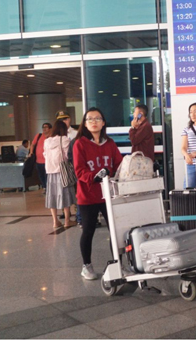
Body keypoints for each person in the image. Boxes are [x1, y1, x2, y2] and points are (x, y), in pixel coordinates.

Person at [73, 107, 123, 280]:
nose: (94, 122)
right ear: (85, 124)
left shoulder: (109, 143)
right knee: (88, 231)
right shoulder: (80, 143)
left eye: (97, 118)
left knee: (115, 231)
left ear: (103, 123)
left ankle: (118, 264)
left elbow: (119, 165)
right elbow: (79, 170)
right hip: (88, 196)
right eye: (90, 119)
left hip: (108, 195)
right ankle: (86, 265)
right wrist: (94, 176)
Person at [44, 120, 77, 229]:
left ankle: (55, 221)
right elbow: (67, 156)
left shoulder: (47, 141)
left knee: (52, 196)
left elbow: (45, 155)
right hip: (62, 171)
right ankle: (67, 220)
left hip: (50, 172)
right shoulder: (64, 139)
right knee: (65, 195)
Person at [31, 123, 52, 192]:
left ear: (50, 128)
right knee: (41, 175)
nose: (44, 129)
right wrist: (31, 152)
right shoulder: (38, 136)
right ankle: (44, 187)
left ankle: (48, 188)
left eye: (46, 127)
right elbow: (33, 145)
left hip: (48, 161)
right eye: (43, 127)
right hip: (38, 161)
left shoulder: (52, 136)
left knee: (47, 176)